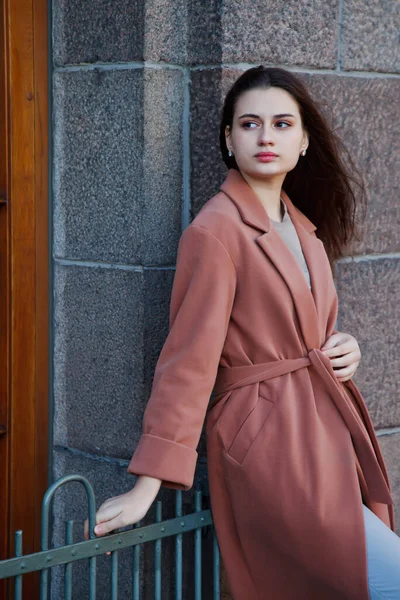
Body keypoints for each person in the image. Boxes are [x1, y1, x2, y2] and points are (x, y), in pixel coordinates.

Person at [85, 67, 400, 599]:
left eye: (281, 123)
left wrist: (344, 345)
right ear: (229, 140)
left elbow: (297, 320)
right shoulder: (215, 231)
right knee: (381, 578)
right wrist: (148, 484)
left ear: (303, 141)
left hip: (322, 429)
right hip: (269, 443)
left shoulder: (300, 224)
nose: (266, 137)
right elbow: (188, 360)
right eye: (249, 124)